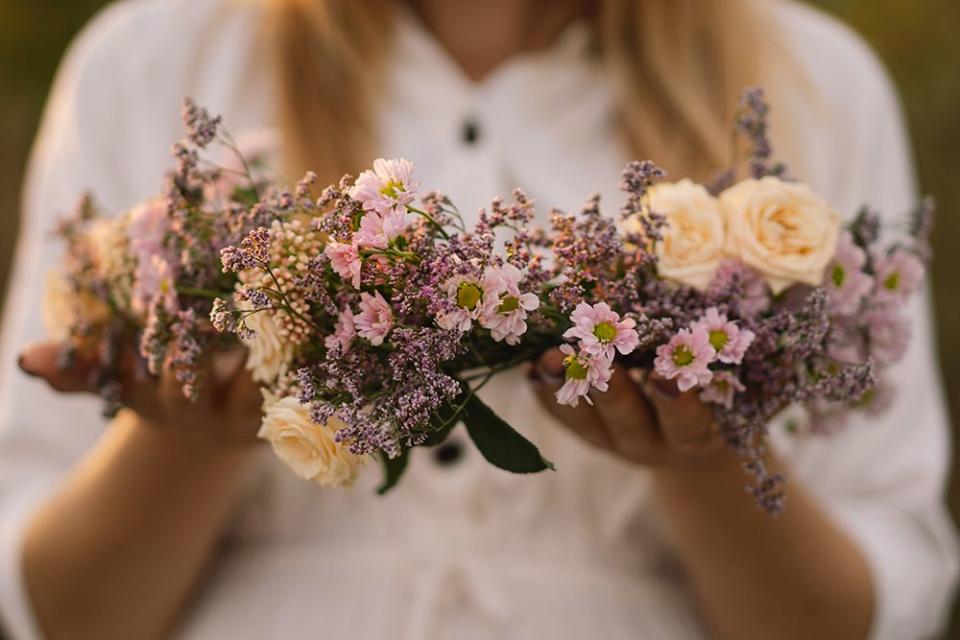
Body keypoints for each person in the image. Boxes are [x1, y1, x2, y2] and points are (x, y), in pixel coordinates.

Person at [0, 0, 956, 638]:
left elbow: (872, 593)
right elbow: (59, 609)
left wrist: (708, 463)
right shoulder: (152, 55)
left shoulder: (815, 80)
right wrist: (183, 440)